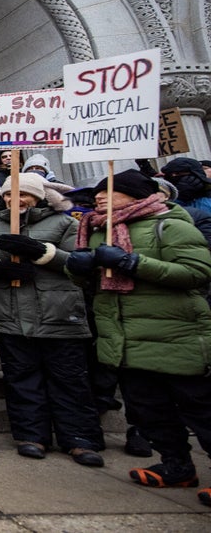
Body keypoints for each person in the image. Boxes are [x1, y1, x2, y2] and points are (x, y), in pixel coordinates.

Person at [65, 170, 211, 506]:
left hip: (175, 334)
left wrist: (134, 262)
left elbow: (197, 273)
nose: (99, 197)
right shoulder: (99, 230)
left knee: (200, 409)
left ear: (135, 195)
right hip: (126, 336)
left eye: (110, 191)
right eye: (99, 192)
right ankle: (177, 465)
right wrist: (78, 268)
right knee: (149, 410)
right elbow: (90, 282)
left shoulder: (171, 225)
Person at [0, 172, 105, 466]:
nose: (14, 200)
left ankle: (80, 438)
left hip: (58, 312)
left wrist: (45, 253)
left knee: (69, 379)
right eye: (8, 195)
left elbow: (82, 263)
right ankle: (31, 434)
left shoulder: (65, 222)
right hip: (11, 313)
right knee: (21, 377)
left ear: (39, 196)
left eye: (23, 195)